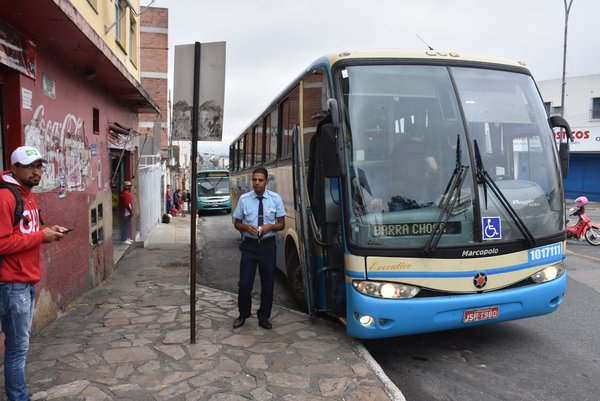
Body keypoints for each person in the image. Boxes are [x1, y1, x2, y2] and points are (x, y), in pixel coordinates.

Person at [0, 146, 68, 401]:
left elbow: (27, 230)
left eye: (39, 166)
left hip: (25, 279)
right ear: (14, 168)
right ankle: (18, 397)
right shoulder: (6, 196)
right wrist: (41, 236)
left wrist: (49, 231)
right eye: (30, 167)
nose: (36, 172)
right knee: (17, 349)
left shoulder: (26, 194)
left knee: (19, 347)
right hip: (11, 283)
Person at [232, 167, 285, 330]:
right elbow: (237, 223)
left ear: (267, 182)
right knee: (245, 284)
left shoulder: (275, 199)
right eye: (254, 180)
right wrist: (246, 228)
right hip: (249, 246)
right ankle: (243, 314)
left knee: (268, 283)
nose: (257, 183)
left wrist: (270, 227)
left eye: (260, 180)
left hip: (268, 246)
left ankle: (264, 317)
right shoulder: (244, 199)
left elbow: (281, 224)